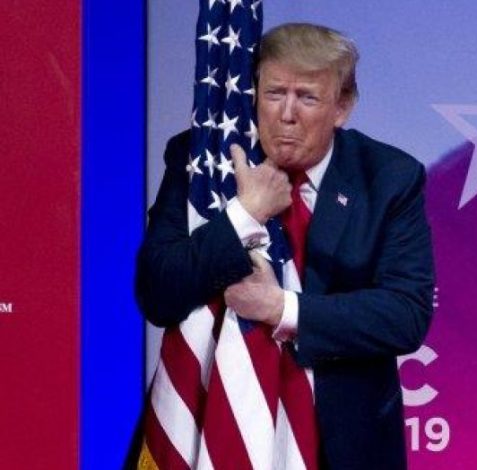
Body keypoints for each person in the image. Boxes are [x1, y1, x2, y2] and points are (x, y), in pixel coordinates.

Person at [136, 23, 434, 469]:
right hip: (207, 434)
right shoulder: (202, 163)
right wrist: (244, 215)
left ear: (342, 107)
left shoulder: (388, 177)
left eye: (307, 98)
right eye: (274, 93)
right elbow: (158, 292)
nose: (287, 114)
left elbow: (405, 314)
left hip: (339, 446)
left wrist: (282, 308)